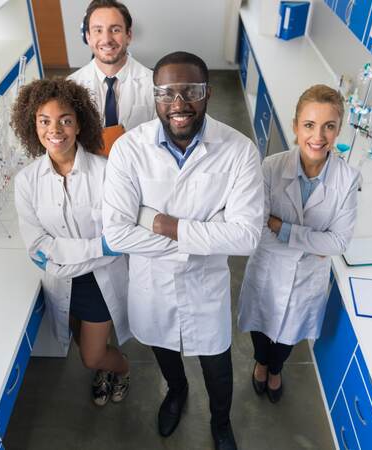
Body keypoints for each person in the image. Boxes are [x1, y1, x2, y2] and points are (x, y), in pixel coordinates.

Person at [102, 52, 263, 450]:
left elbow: (245, 237)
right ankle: (176, 393)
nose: (179, 103)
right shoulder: (128, 150)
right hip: (152, 285)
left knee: (218, 364)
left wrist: (160, 222)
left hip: (205, 288)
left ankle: (221, 421)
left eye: (191, 91)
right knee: (164, 349)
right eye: (167, 92)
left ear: (207, 94)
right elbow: (117, 234)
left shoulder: (239, 150)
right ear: (155, 95)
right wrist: (204, 236)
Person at [12, 78, 131, 407]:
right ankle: (106, 369)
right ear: (32, 125)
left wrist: (60, 254)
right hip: (62, 283)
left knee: (92, 357)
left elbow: (117, 240)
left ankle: (121, 369)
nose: (55, 130)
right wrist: (97, 248)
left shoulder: (108, 173)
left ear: (79, 124)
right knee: (83, 343)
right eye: (44, 121)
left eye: (65, 120)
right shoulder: (26, 182)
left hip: (98, 283)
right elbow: (37, 246)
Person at [237, 84, 360, 403]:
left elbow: (339, 242)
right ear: (295, 126)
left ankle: (276, 369)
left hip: (306, 281)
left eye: (328, 126)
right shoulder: (270, 168)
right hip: (268, 268)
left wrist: (283, 228)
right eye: (309, 125)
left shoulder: (347, 180)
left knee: (289, 336)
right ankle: (261, 364)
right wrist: (313, 244)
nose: (318, 136)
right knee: (261, 326)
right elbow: (257, 228)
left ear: (338, 130)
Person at [68, 0, 155, 131]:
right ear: (88, 37)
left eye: (115, 30)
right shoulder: (71, 86)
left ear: (128, 35)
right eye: (98, 30)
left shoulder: (154, 84)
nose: (107, 39)